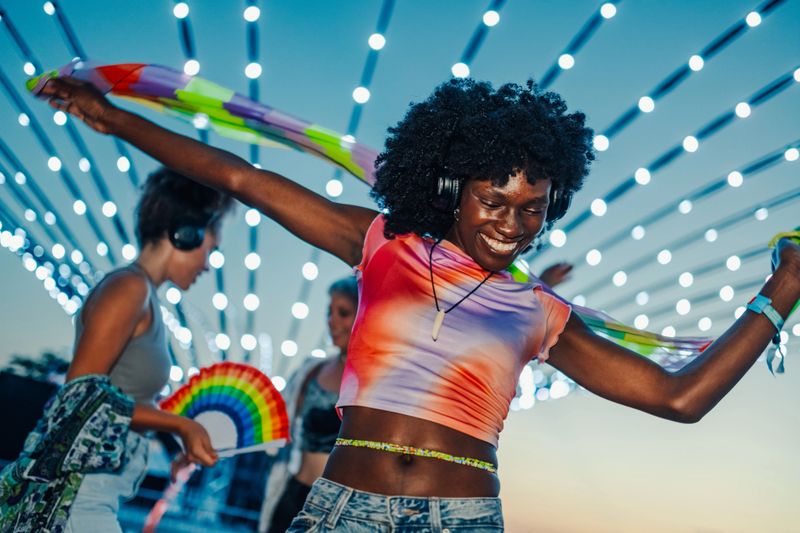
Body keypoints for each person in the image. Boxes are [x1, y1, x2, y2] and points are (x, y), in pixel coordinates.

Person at [39, 76, 800, 532]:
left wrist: (784, 288)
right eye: (493, 197)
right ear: (451, 187)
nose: (511, 221)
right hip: (342, 509)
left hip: (461, 520)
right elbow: (239, 178)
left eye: (533, 208)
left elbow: (679, 396)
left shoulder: (537, 309)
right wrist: (114, 120)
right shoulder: (381, 243)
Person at [0, 168, 233, 533]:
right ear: (185, 234)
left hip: (93, 494)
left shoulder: (146, 297)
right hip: (74, 499)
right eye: (210, 249)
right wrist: (178, 423)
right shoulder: (129, 289)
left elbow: (121, 398)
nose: (208, 264)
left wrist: (176, 439)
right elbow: (81, 395)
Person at [259, 276, 358, 533]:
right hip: (294, 496)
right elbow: (272, 424)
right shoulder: (311, 371)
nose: (331, 320)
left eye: (343, 313)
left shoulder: (372, 382)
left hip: (339, 511)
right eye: (329, 312)